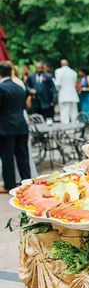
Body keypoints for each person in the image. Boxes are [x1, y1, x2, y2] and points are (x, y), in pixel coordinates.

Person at [0, 62, 31, 192]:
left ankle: (9, 185)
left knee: (7, 158)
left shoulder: (1, 88)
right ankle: (27, 182)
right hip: (21, 126)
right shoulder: (19, 87)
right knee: (23, 156)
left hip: (6, 128)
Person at [54, 58, 79, 123]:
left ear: (61, 64)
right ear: (67, 64)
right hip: (73, 95)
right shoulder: (74, 72)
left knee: (64, 113)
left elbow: (58, 84)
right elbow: (74, 84)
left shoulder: (58, 71)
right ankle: (75, 127)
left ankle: (66, 129)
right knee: (74, 113)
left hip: (63, 95)